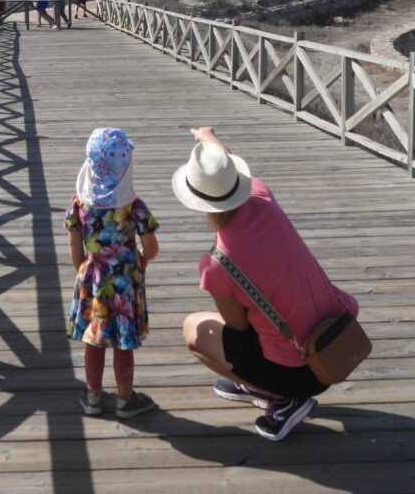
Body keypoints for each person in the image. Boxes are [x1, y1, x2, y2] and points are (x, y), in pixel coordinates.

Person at [172, 126, 359, 442]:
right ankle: (260, 384)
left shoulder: (218, 263)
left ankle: (283, 399)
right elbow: (228, 164)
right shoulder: (262, 198)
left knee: (194, 329)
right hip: (336, 342)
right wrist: (207, 137)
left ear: (198, 202)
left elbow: (238, 326)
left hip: (299, 371)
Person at [65, 127, 160, 419]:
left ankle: (93, 397)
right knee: (123, 342)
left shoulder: (79, 203)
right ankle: (125, 399)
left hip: (93, 279)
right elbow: (152, 247)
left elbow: (75, 254)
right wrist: (139, 260)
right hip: (125, 282)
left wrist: (87, 269)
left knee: (95, 341)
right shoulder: (134, 207)